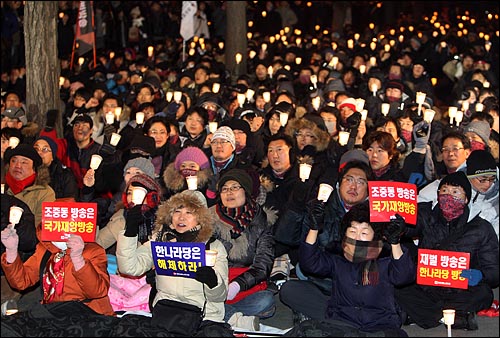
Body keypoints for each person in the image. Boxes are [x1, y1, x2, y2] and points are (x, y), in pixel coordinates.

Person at [283, 201, 415, 337]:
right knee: (305, 326)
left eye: (364, 232)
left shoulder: (386, 257)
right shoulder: (337, 255)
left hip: (379, 324)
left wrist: (395, 242)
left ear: (374, 235)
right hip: (343, 320)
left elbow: (403, 277)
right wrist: (314, 228)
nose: (357, 237)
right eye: (352, 231)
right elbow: (310, 263)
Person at [115, 190, 232, 334]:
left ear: (201, 218)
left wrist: (212, 281)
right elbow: (129, 268)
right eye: (177, 211)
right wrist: (130, 231)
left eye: (189, 212)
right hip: (166, 315)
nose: (181, 217)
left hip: (203, 318)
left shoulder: (213, 247)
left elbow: (220, 296)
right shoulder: (160, 241)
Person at [396, 171, 499, 330]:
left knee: (484, 294)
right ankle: (452, 318)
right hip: (426, 286)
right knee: (399, 289)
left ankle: (424, 315)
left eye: (455, 192)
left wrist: (480, 275)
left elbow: (494, 271)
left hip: (461, 289)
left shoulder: (481, 228)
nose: (448, 196)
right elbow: (411, 227)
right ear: (437, 195)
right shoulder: (426, 214)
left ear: (466, 199)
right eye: (444, 191)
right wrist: (399, 227)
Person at [209, 169, 276, 329]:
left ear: (245, 192)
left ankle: (217, 314)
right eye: (224, 189)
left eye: (234, 187)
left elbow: (263, 264)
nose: (229, 192)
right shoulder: (209, 218)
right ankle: (234, 318)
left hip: (243, 284)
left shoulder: (261, 221)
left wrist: (237, 285)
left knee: (265, 300)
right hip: (214, 282)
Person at [3, 144, 56, 225]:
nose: (18, 166)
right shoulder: (4, 187)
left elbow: (41, 228)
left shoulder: (45, 193)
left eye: (24, 162)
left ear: (34, 169)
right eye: (14, 161)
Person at [33, 136, 78, 201]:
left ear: (52, 157)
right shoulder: (24, 172)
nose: (39, 153)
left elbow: (70, 202)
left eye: (45, 149)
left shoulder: (65, 176)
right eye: (36, 149)